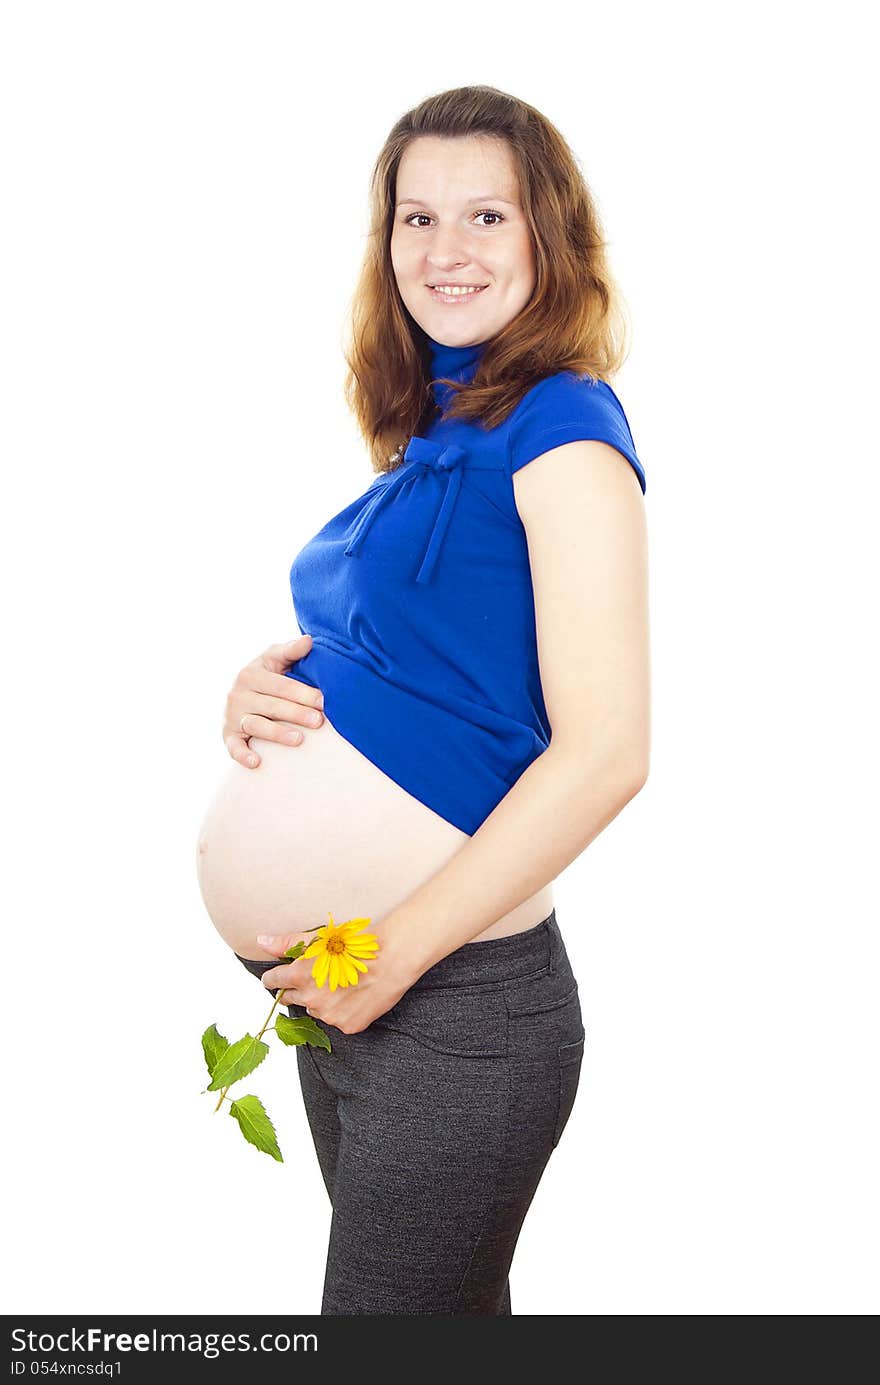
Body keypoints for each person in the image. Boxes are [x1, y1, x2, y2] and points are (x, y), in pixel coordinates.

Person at [229, 84, 650, 1315]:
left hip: (452, 1000)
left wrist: (397, 952)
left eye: (485, 215)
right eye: (417, 218)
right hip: (348, 988)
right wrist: (267, 692)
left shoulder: (563, 430)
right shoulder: (438, 423)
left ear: (546, 238)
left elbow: (610, 748)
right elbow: (420, 668)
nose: (444, 251)